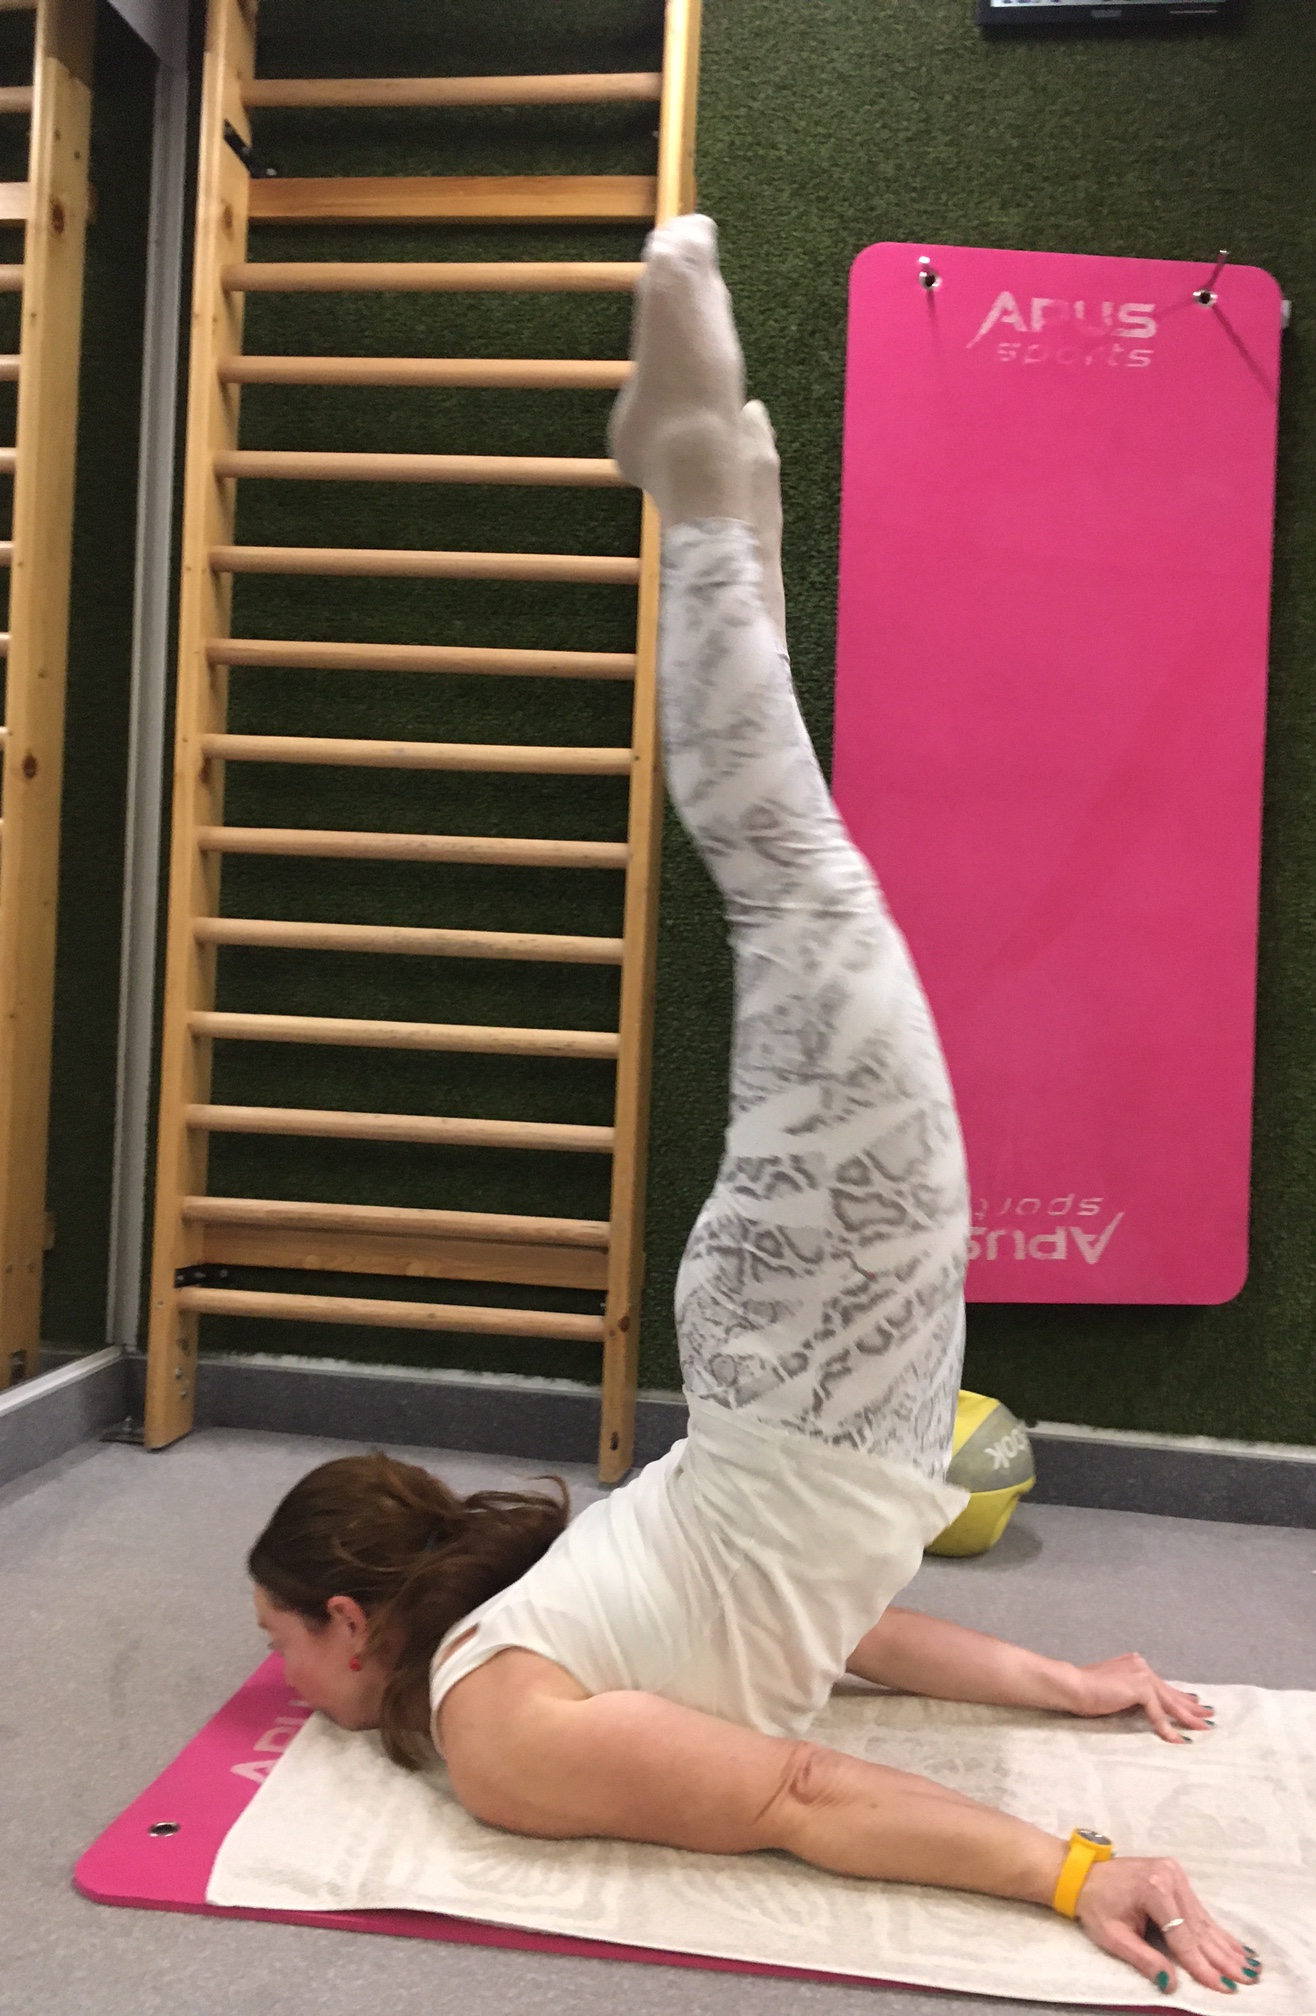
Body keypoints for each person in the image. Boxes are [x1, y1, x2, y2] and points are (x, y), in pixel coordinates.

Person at [249, 216, 1260, 2002]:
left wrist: (1074, 1871)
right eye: (276, 1649)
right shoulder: (541, 1662)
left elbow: (794, 1779)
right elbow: (836, 1654)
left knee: (792, 884)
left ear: (354, 1622)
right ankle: (725, 495)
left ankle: (706, 492)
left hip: (810, 1374)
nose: (276, 1681)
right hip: (820, 1390)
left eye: (275, 1648)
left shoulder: (497, 1718)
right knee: (796, 887)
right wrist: (1069, 1704)